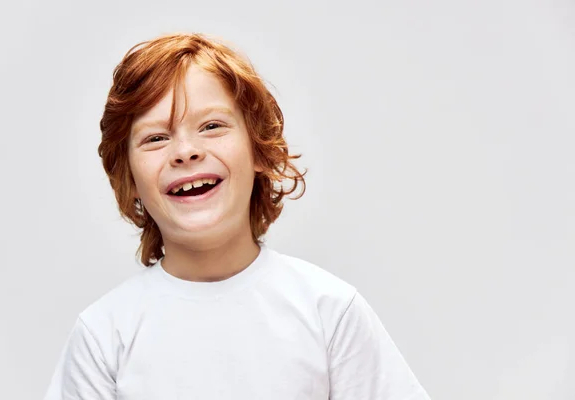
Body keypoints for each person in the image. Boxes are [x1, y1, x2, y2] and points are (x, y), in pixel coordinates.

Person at [43, 32, 431, 400]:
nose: (186, 151)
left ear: (259, 149)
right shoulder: (103, 336)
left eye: (212, 126)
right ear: (128, 178)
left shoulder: (330, 312)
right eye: (156, 138)